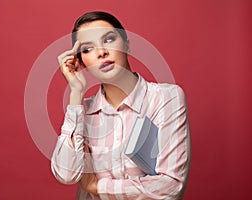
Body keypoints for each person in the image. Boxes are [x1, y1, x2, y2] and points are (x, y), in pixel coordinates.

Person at [51, 11, 191, 199]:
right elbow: (67, 175)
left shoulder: (166, 98)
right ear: (81, 62)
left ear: (127, 45)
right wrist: (76, 94)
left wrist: (97, 186)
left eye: (108, 39)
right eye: (87, 49)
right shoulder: (82, 112)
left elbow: (171, 185)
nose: (101, 52)